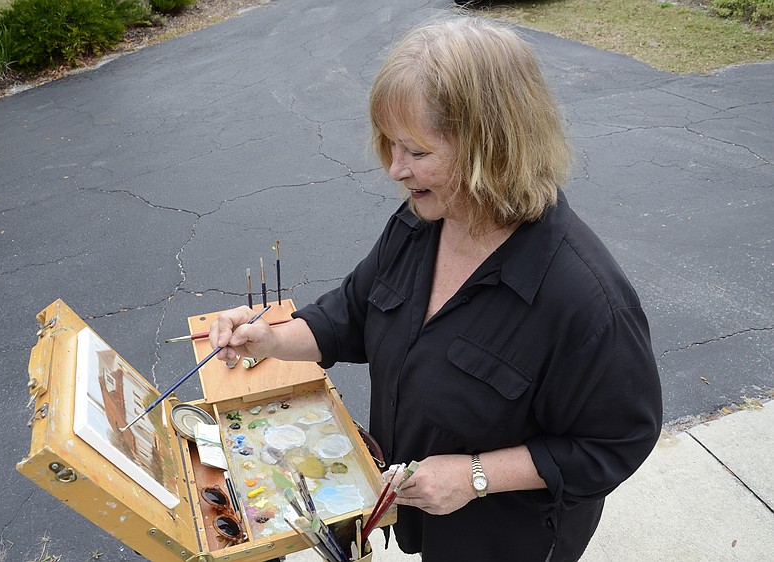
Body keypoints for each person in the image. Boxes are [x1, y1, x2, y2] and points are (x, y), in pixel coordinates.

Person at [210, 15, 662, 562]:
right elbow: (354, 310)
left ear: (493, 147)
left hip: (506, 538)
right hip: (422, 515)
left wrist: (477, 475)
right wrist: (272, 338)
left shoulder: (585, 301)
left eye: (417, 152)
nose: (396, 169)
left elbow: (617, 442)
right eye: (390, 145)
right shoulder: (422, 221)